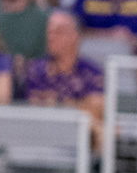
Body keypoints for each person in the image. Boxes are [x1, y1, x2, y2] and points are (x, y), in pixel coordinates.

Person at [23, 11, 105, 140]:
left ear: (75, 37)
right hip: (38, 134)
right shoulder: (35, 69)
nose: (51, 37)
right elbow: (34, 106)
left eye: (59, 32)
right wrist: (76, 105)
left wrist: (56, 103)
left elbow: (95, 110)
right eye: (49, 32)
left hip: (79, 137)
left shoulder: (92, 73)